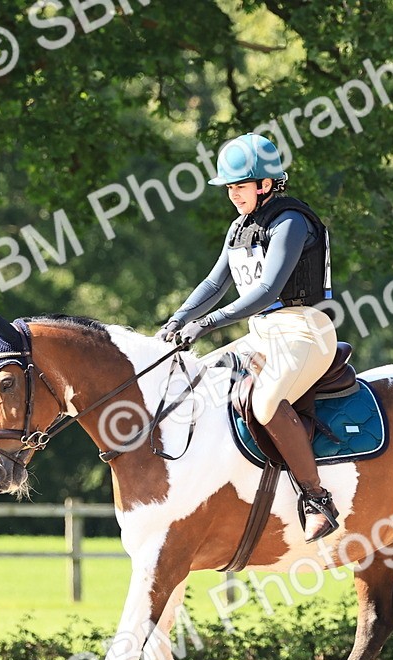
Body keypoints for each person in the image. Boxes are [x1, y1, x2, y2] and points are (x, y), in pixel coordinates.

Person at [156, 133, 340, 542]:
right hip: (263, 333)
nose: (233, 194)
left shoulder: (291, 221)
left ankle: (317, 499)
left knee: (265, 400)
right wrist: (179, 318)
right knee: (199, 379)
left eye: (239, 185)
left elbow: (268, 292)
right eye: (229, 187)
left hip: (305, 330)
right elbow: (213, 283)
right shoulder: (239, 227)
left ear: (266, 183)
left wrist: (205, 325)